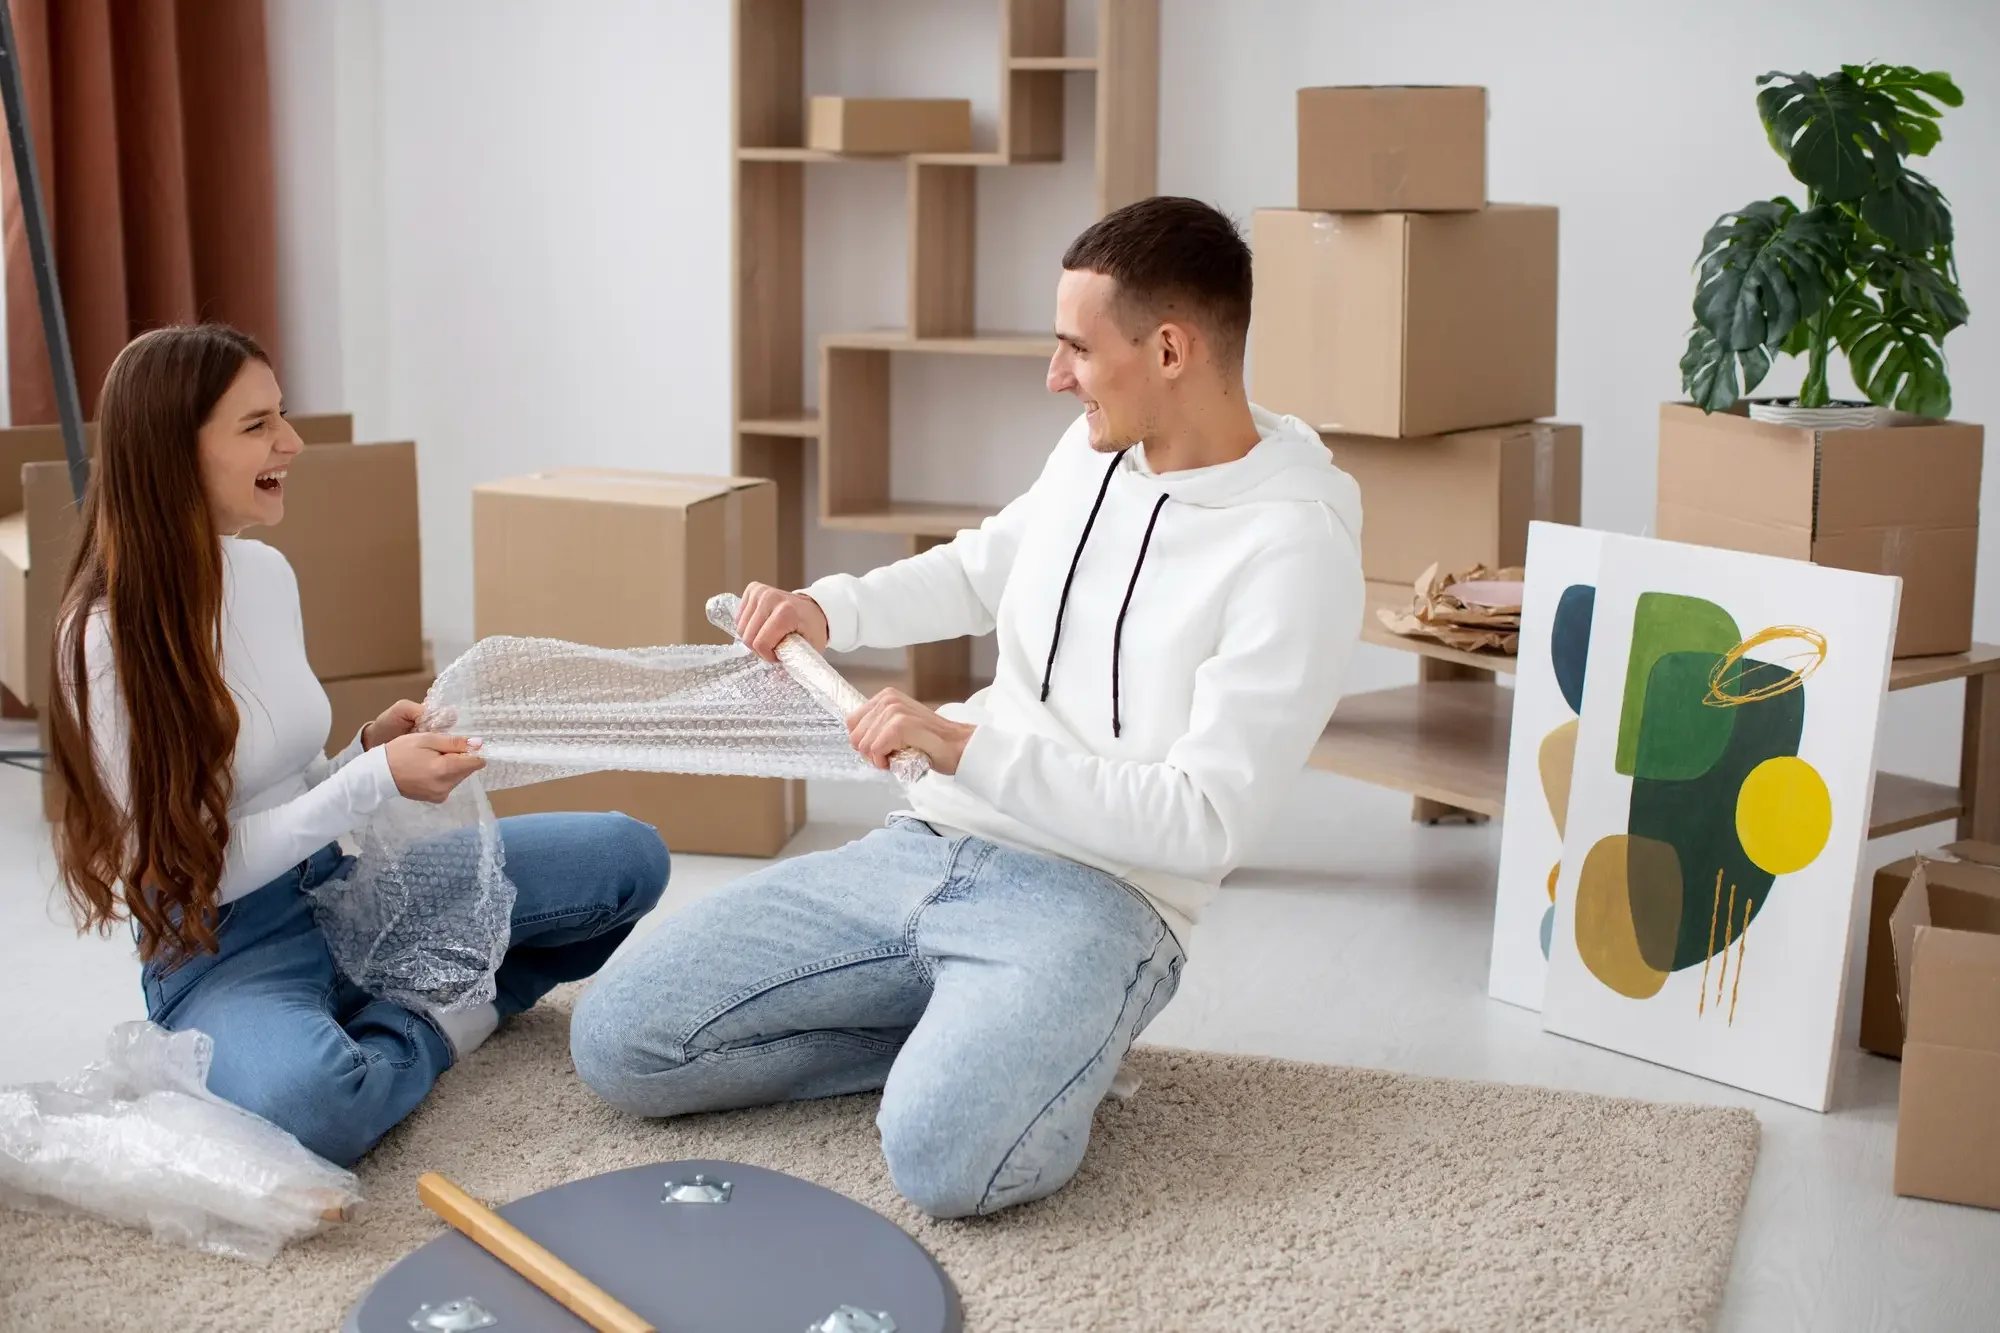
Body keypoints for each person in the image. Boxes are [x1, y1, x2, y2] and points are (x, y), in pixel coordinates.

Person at [570, 195, 1364, 1217]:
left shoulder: (1293, 546)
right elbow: (984, 566)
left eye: (1075, 348)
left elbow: (1200, 821)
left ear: (1169, 348)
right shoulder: (1091, 453)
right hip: (933, 844)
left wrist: (959, 744)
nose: (1053, 376)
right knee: (622, 1041)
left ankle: (1029, 1044)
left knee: (947, 1162)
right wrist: (827, 606)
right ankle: (976, 1036)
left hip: (1098, 898)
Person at [45, 324, 670, 1167]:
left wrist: (366, 750)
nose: (291, 442)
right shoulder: (102, 640)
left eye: (283, 414)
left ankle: (393, 1002)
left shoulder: (265, 575)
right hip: (221, 943)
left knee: (630, 860)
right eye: (257, 424)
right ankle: (445, 1017)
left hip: (343, 885)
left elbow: (288, 782)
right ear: (171, 448)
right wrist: (369, 780)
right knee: (319, 1103)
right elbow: (191, 871)